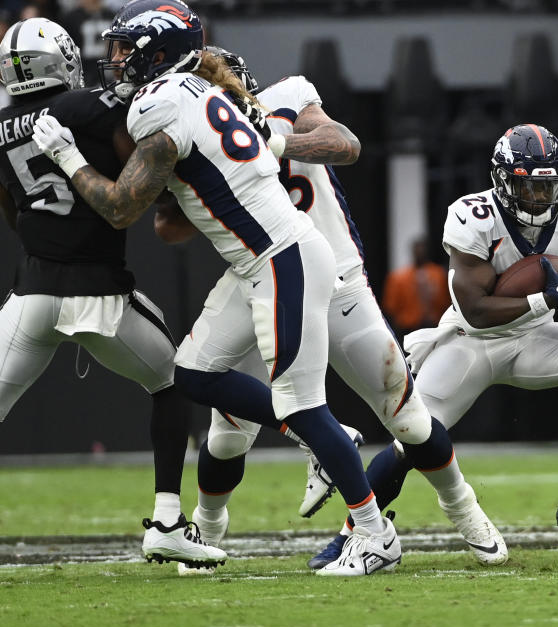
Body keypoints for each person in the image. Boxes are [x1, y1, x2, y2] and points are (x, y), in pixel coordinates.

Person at [30, 0, 396, 577]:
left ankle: (375, 533)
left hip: (282, 259)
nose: (117, 58)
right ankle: (313, 435)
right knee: (193, 373)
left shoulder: (159, 104)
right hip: (257, 263)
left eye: (127, 48)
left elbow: (122, 208)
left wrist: (66, 155)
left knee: (303, 403)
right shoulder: (199, 93)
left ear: (158, 52)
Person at [161, 46, 506, 573]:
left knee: (407, 416)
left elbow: (344, 143)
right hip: (259, 278)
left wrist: (274, 141)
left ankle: (466, 512)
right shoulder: (188, 130)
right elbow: (170, 226)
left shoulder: (284, 98)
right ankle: (206, 533)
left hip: (336, 278)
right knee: (227, 434)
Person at [309, 123, 558, 565]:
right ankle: (350, 535)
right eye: (531, 187)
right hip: (470, 343)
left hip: (533, 340)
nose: (543, 197)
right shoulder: (473, 217)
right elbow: (475, 307)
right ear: (503, 181)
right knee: (412, 439)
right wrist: (541, 298)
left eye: (551, 185)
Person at [0, 16, 223, 569]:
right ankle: (169, 522)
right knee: (173, 380)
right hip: (98, 294)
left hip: (30, 292)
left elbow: (10, 205)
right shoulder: (88, 108)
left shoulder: (0, 124)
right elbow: (138, 172)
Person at [382, 237, 451, 335]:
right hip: (408, 329)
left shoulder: (439, 275)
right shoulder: (398, 277)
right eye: (417, 248)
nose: (420, 251)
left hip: (435, 327)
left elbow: (446, 303)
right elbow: (390, 308)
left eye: (422, 248)